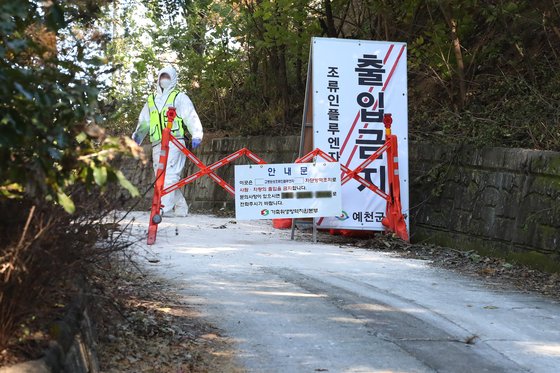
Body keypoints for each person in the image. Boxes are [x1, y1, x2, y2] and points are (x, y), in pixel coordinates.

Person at [132, 66, 203, 217]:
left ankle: (162, 207)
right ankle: (181, 206)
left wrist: (197, 133)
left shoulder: (179, 97)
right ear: (158, 78)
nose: (164, 79)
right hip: (157, 142)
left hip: (175, 141)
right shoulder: (151, 99)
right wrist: (138, 135)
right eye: (162, 76)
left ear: (173, 79)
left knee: (170, 175)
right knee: (161, 177)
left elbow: (191, 116)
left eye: (167, 77)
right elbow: (145, 120)